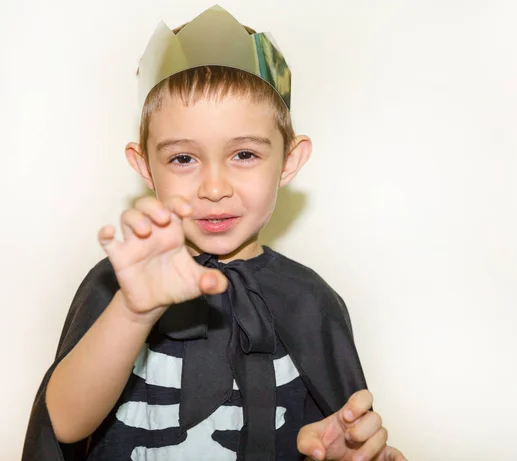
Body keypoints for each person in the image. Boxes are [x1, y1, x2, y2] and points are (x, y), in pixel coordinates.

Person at [22, 5, 407, 461]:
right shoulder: (120, 285)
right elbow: (63, 424)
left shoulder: (311, 301)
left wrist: (349, 453)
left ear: (289, 161)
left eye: (244, 154)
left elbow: (338, 429)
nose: (215, 188)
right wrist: (132, 311)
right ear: (145, 166)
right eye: (183, 158)